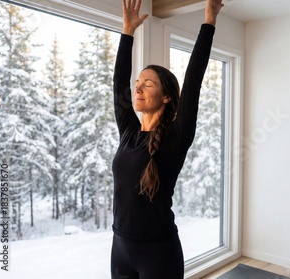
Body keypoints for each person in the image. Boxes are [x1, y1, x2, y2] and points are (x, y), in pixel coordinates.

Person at [111, 0, 223, 278]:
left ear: (166, 96)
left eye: (147, 83)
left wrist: (209, 19)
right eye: (138, 83)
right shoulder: (128, 132)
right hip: (119, 246)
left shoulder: (176, 136)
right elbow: (119, 84)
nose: (138, 87)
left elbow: (193, 79)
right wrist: (127, 32)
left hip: (159, 253)